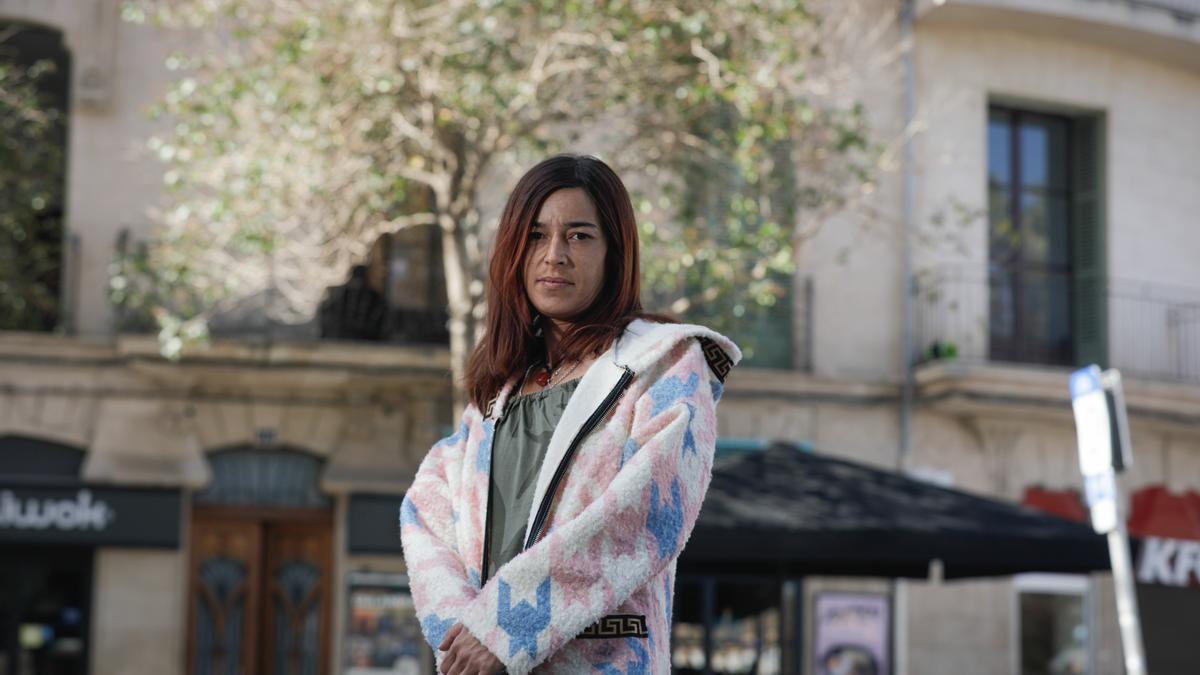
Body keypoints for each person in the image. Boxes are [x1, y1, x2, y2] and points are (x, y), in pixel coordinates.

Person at [400, 154, 739, 674]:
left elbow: (645, 515)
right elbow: (425, 515)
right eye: (536, 235)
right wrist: (462, 633)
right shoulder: (495, 394)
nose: (554, 255)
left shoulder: (664, 364)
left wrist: (504, 628)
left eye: (579, 236)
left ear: (614, 253)